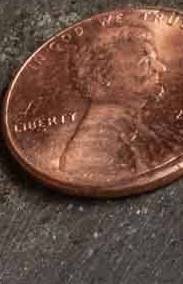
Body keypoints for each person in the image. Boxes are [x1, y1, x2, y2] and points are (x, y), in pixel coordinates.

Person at [59, 23, 170, 180]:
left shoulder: (132, 128)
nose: (161, 68)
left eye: (154, 59)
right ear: (103, 77)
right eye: (145, 61)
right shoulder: (94, 150)